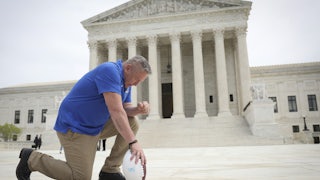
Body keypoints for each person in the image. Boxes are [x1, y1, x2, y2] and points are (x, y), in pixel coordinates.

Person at [16, 55, 151, 180]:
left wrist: (138, 110)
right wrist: (133, 142)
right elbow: (116, 111)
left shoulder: (126, 83)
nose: (136, 84)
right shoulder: (109, 71)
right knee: (80, 177)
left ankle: (110, 171)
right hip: (75, 127)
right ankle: (32, 159)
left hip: (95, 126)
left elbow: (125, 110)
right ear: (128, 68)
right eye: (137, 79)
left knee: (132, 122)